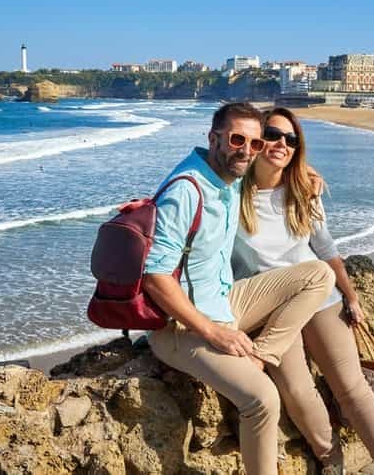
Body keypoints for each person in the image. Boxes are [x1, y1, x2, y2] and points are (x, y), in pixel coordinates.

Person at [143, 102, 336, 475]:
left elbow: (272, 174)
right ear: (213, 138)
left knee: (317, 274)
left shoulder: (229, 181)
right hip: (181, 325)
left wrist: (302, 172)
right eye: (236, 140)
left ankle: (261, 356)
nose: (246, 150)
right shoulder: (186, 191)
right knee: (262, 397)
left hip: (224, 302)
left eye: (255, 143)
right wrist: (213, 331)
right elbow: (156, 278)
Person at [232, 107, 374, 474]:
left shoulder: (303, 192)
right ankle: (332, 463)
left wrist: (352, 296)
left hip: (320, 295)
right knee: (297, 391)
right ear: (256, 140)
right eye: (274, 135)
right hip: (270, 306)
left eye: (291, 139)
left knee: (351, 386)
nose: (282, 143)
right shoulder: (231, 193)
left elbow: (326, 251)